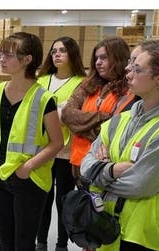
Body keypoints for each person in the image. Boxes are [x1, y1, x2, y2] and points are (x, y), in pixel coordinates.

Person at [80, 40, 159, 251]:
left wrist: (98, 175)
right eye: (130, 65)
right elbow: (85, 165)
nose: (128, 72)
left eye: (137, 68)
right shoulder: (121, 119)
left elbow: (138, 185)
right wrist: (113, 169)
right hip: (104, 228)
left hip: (141, 237)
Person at [0, 32, 64, 250]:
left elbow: (57, 142)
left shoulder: (43, 98)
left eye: (9, 55)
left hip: (28, 179)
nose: (2, 59)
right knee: (5, 242)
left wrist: (28, 167)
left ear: (27, 59)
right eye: (2, 54)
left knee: (24, 244)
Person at [61, 37, 136, 182]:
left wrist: (81, 127)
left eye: (104, 58)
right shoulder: (88, 85)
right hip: (78, 160)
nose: (98, 63)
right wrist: (103, 117)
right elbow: (67, 114)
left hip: (105, 164)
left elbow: (118, 129)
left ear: (118, 59)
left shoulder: (129, 90)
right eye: (96, 58)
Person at [36, 36, 86, 251]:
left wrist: (56, 112)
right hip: (43, 148)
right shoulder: (41, 79)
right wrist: (59, 111)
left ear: (72, 54)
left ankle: (61, 243)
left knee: (63, 199)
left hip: (66, 150)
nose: (56, 54)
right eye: (54, 50)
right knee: (43, 198)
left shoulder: (81, 83)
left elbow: (73, 114)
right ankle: (41, 241)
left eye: (62, 50)